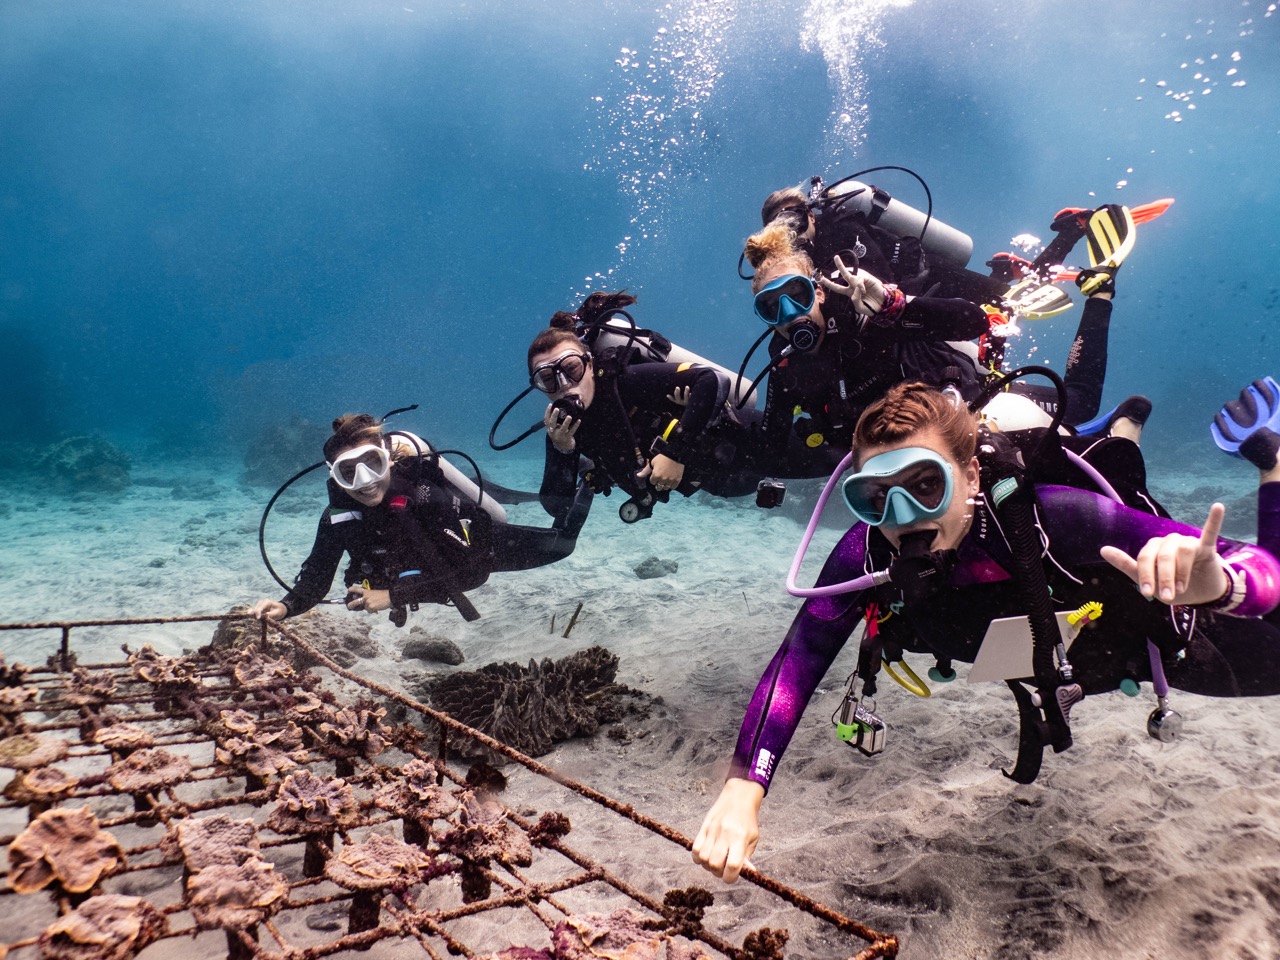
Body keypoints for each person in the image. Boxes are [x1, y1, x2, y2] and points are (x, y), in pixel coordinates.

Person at [693, 379, 1280, 883]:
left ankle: (1258, 457)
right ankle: (1121, 432)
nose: (902, 516)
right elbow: (801, 656)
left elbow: (1261, 572)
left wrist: (1222, 585)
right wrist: (747, 783)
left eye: (926, 485)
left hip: (1135, 644)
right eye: (875, 496)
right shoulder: (866, 551)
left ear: (971, 473)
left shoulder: (1057, 517)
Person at [250, 413, 590, 624]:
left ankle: (588, 476)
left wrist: (393, 597)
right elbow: (317, 577)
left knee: (564, 546)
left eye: (373, 463)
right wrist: (286, 607)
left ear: (390, 460)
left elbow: (472, 573)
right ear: (334, 477)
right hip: (421, 573)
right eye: (349, 472)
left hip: (479, 547)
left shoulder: (424, 497)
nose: (365, 481)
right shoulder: (339, 517)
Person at [744, 221, 991, 466]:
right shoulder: (786, 367)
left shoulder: (863, 315)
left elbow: (974, 322)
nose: (789, 312)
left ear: (818, 293)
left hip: (959, 415)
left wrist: (892, 307)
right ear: (767, 320)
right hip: (896, 455)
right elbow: (772, 444)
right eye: (772, 306)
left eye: (798, 295)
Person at [530, 292, 770, 524]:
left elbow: (713, 380)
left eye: (572, 369)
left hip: (744, 441)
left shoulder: (626, 381)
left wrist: (675, 453)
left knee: (800, 455)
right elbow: (557, 507)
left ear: (590, 363)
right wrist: (564, 451)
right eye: (547, 379)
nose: (564, 385)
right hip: (719, 482)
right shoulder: (562, 429)